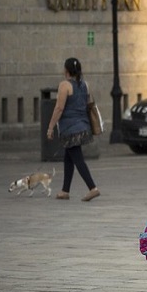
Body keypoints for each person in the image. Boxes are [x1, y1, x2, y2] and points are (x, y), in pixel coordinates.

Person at [46, 57, 100, 202]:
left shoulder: (64, 85)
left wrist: (50, 127)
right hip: (83, 127)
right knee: (68, 157)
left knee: (77, 158)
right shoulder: (85, 85)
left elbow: (59, 108)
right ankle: (65, 190)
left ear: (66, 70)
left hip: (70, 129)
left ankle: (92, 188)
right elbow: (89, 103)